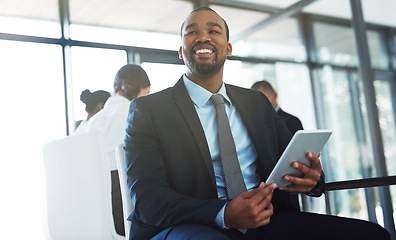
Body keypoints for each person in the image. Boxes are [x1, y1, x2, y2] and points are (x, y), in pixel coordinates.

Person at [123, 7, 390, 240]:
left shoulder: (257, 103)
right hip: (194, 225)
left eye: (214, 31)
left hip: (266, 221)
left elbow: (292, 162)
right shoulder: (149, 110)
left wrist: (312, 179)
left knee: (373, 235)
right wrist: (224, 213)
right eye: (192, 32)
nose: (203, 36)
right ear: (181, 51)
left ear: (228, 48)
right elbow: (148, 199)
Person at [85, 64, 150, 236]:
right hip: (122, 210)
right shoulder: (134, 113)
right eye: (147, 94)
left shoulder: (92, 121)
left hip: (91, 211)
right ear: (137, 90)